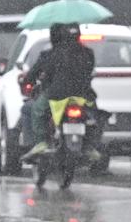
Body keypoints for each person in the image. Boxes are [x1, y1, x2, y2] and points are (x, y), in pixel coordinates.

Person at [21, 23, 97, 160]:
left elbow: (37, 74)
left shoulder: (50, 54)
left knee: (36, 110)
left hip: (57, 95)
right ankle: (89, 146)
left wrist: (27, 82)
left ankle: (41, 142)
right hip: (84, 94)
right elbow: (89, 71)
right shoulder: (88, 53)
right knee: (93, 116)